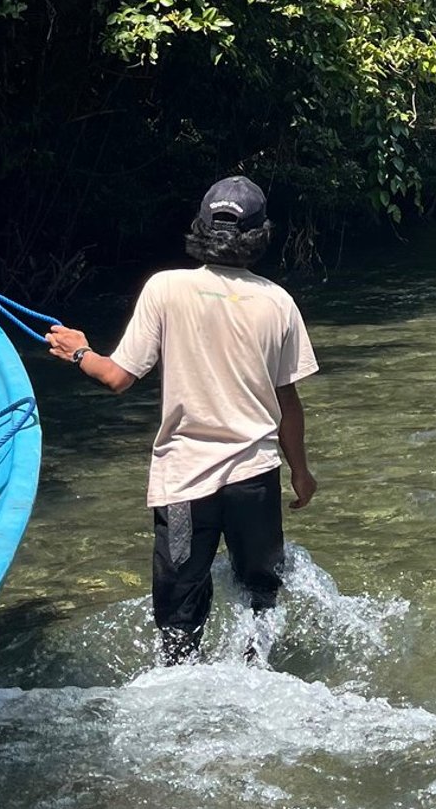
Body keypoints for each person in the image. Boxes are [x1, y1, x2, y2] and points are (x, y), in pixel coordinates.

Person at [45, 177, 319, 665]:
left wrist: (77, 351)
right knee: (260, 598)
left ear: (201, 226)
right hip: (254, 479)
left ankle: (181, 681)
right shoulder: (279, 302)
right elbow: (289, 403)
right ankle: (256, 677)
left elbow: (116, 378)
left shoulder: (165, 288)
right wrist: (300, 471)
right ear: (259, 235)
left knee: (178, 616)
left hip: (183, 484)